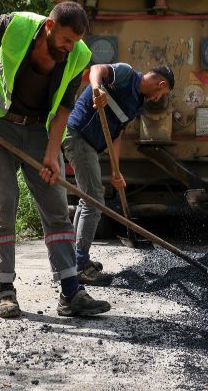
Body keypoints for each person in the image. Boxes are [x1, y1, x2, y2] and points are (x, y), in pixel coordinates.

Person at [0, 2, 111, 318]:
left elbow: (63, 109)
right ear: (49, 26)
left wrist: (51, 156)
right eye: (65, 40)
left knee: (56, 205)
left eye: (75, 41)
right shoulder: (14, 26)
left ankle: (71, 292)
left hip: (39, 131)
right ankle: (5, 290)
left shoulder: (78, 56)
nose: (69, 48)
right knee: (4, 201)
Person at [62, 63, 175, 285]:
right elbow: (97, 69)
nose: (157, 98)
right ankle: (80, 265)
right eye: (162, 93)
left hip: (91, 146)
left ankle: (74, 259)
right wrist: (97, 89)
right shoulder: (126, 74)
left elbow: (117, 136)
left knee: (88, 200)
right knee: (94, 200)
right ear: (161, 84)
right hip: (77, 137)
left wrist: (116, 170)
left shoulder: (137, 104)